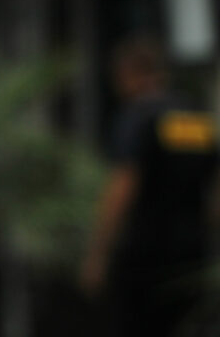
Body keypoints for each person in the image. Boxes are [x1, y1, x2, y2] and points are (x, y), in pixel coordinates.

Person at [80, 37, 219, 336]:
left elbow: (123, 187)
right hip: (193, 254)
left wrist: (98, 254)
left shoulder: (139, 116)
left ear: (129, 74)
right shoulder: (197, 117)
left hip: (144, 256)